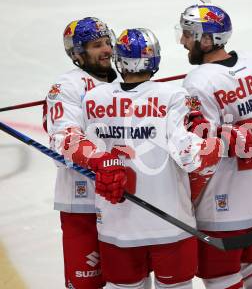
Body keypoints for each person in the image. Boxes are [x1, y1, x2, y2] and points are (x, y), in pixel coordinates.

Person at [69, 28, 222, 289]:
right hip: (171, 225)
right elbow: (190, 157)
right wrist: (214, 143)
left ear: (119, 59)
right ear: (155, 60)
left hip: (117, 228)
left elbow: (76, 147)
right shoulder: (174, 97)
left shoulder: (92, 99)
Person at [177, 4, 252, 289]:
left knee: (221, 281)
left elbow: (202, 149)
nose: (182, 41)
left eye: (188, 34)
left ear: (207, 39)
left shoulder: (198, 82)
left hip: (222, 207)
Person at [43, 16, 118, 289]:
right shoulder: (67, 86)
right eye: (97, 45)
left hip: (123, 197)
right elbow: (64, 137)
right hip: (82, 199)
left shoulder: (125, 78)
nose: (107, 49)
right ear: (77, 53)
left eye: (108, 42)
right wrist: (100, 159)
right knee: (87, 283)